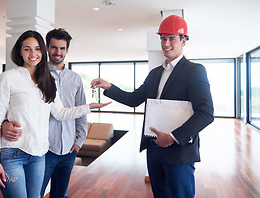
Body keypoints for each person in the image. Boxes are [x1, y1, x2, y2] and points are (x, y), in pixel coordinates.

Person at [91, 15, 214, 198]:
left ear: (183, 41)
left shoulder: (194, 70)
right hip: (154, 148)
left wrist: (173, 137)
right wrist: (109, 86)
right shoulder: (155, 73)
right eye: (163, 38)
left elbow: (206, 113)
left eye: (172, 38)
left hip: (179, 151)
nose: (166, 43)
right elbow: (134, 99)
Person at [0, 30, 109, 198]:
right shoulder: (8, 78)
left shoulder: (48, 80)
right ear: (19, 51)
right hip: (13, 154)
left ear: (42, 51)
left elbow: (60, 113)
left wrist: (89, 107)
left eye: (36, 49)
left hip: (39, 155)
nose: (33, 53)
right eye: (27, 49)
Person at [2, 28, 87, 198]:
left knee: (60, 194)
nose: (58, 52)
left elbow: (80, 111)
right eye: (54, 47)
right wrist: (4, 123)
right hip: (42, 149)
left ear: (67, 50)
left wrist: (79, 141)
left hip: (69, 149)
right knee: (36, 194)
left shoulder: (75, 78)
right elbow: (15, 106)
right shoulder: (35, 75)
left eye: (62, 48)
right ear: (46, 48)